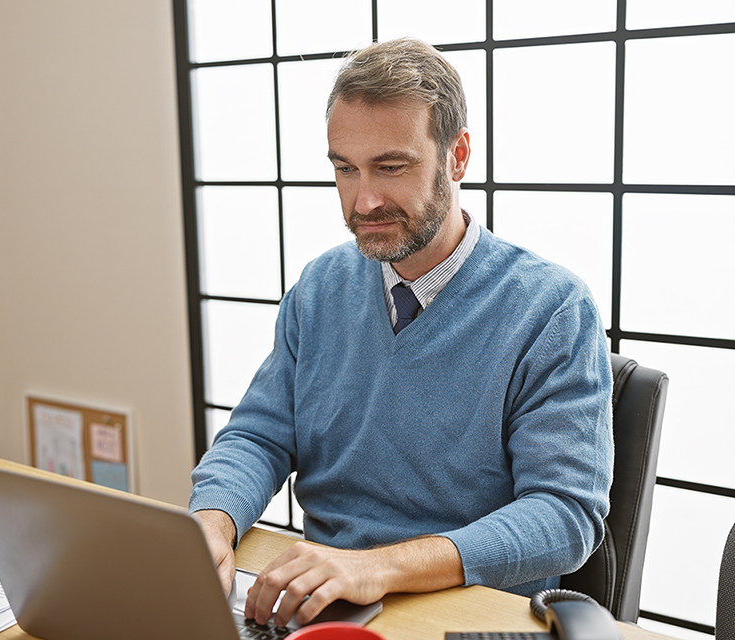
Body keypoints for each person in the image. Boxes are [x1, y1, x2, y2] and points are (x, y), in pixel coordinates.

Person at [189, 37, 613, 629]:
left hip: (465, 613)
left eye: (392, 167)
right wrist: (212, 521)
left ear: (457, 156)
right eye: (344, 168)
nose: (364, 200)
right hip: (324, 607)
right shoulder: (320, 288)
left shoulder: (550, 308)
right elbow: (258, 436)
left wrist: (378, 567)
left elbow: (564, 515)